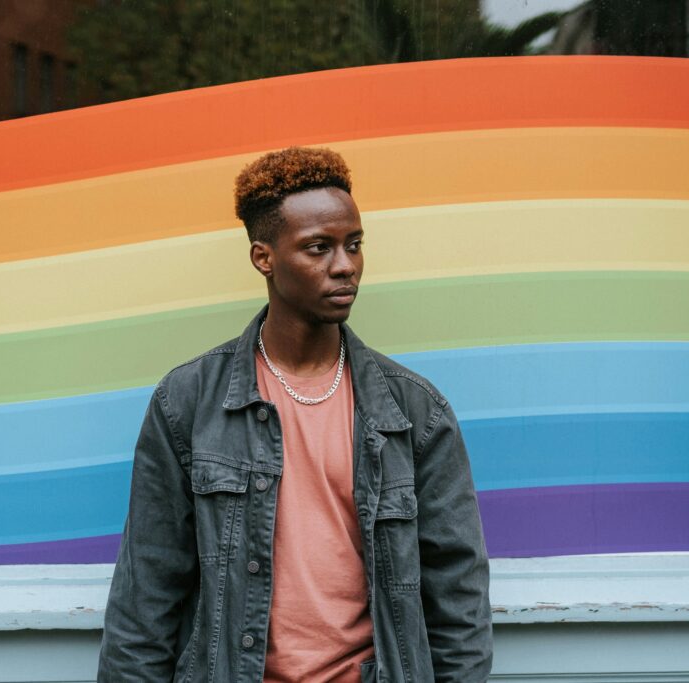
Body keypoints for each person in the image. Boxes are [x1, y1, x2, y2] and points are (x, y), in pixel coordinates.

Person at [97, 147, 492, 682]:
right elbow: (147, 593)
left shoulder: (414, 412)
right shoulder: (188, 402)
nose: (345, 265)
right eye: (318, 248)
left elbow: (458, 593)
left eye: (354, 245)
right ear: (265, 257)